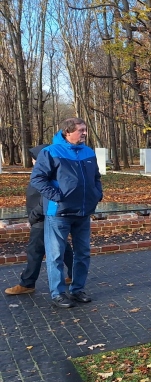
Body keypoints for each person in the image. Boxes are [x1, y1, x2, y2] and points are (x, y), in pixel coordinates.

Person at [30, 118, 103, 309]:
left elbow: (96, 177)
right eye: (80, 130)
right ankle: (58, 293)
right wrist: (56, 196)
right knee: (56, 255)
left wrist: (97, 194)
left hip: (83, 212)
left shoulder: (88, 152)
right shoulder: (51, 152)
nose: (85, 133)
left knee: (83, 253)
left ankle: (77, 290)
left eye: (85, 130)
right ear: (67, 132)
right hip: (58, 213)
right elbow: (37, 178)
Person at [5, 144, 74, 295]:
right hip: (43, 217)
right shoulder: (44, 172)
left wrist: (34, 216)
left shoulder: (47, 174)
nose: (33, 161)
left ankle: (27, 283)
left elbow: (47, 197)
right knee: (63, 247)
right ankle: (75, 274)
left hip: (42, 219)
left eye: (34, 158)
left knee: (35, 251)